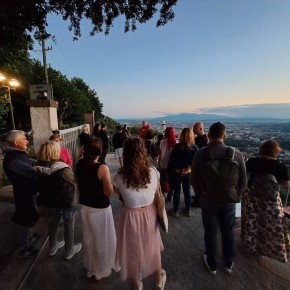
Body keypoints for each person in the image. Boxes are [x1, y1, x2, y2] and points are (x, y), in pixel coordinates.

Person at [191, 122, 247, 275]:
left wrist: (200, 194)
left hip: (208, 200)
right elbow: (243, 180)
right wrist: (236, 195)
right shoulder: (236, 154)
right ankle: (228, 263)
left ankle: (212, 264)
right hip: (229, 200)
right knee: (227, 232)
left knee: (210, 232)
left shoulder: (200, 153)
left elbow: (194, 178)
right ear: (225, 136)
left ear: (208, 135)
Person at [113, 138, 166, 290]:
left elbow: (119, 195)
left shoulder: (118, 178)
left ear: (126, 154)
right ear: (143, 152)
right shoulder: (154, 173)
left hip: (130, 216)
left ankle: (137, 284)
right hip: (150, 215)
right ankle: (158, 281)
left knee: (133, 250)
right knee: (153, 248)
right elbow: (156, 193)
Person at [76, 137, 119, 280]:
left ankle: (91, 268)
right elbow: (108, 192)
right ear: (100, 151)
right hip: (100, 210)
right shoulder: (102, 168)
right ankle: (100, 270)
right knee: (102, 240)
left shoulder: (79, 164)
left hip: (84, 207)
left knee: (89, 239)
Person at [241, 139, 290, 262]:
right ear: (275, 151)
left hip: (252, 197)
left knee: (252, 221)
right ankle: (272, 248)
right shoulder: (280, 166)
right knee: (273, 224)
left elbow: (245, 175)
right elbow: (285, 184)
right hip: (270, 200)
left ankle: (251, 243)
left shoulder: (253, 162)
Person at [36, 141, 82, 259]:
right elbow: (75, 182)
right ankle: (69, 250)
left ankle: (52, 247)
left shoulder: (37, 166)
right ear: (54, 152)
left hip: (48, 201)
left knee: (52, 223)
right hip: (66, 201)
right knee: (68, 223)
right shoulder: (62, 169)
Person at [3, 130, 40, 258]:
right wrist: (44, 168)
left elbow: (30, 162)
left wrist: (37, 162)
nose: (27, 141)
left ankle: (29, 237)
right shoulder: (13, 160)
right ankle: (24, 248)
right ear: (15, 142)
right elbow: (34, 172)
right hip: (24, 194)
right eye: (24, 139)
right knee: (26, 219)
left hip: (29, 192)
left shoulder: (17, 154)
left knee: (31, 215)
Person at [167, 127, 198, 217]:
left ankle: (175, 211)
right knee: (187, 191)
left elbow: (171, 161)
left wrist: (169, 172)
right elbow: (196, 162)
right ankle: (188, 210)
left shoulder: (177, 147)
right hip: (188, 173)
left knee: (177, 192)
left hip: (176, 173)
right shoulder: (195, 148)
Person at [192, 122, 209, 207]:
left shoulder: (203, 140)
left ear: (201, 129)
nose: (193, 130)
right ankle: (197, 197)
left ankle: (198, 201)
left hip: (201, 166)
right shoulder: (201, 138)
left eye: (195, 128)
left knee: (199, 183)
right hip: (199, 165)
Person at [159, 127, 176, 202]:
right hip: (172, 165)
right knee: (171, 181)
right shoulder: (176, 143)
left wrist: (159, 162)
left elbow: (160, 153)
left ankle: (163, 194)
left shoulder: (162, 141)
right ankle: (170, 196)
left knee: (163, 180)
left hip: (164, 163)